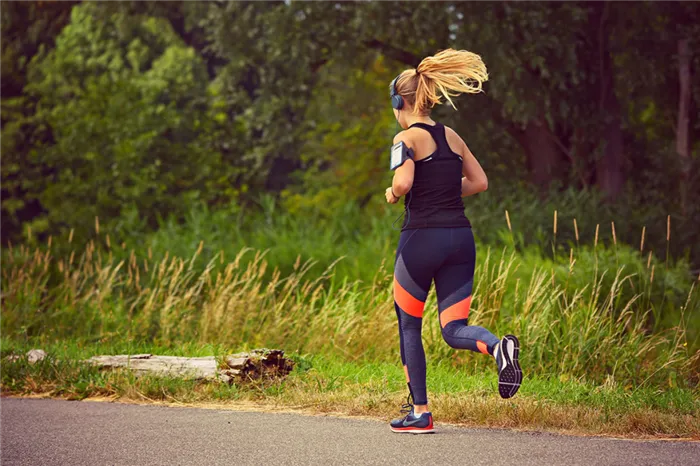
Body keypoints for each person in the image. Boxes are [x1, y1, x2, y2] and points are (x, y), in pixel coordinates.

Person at [385, 49, 522, 434]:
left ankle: (421, 412)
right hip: (460, 240)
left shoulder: (405, 137)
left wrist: (395, 193)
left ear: (400, 101)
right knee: (453, 328)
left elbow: (404, 182)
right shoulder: (452, 136)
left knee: (409, 325)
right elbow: (480, 183)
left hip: (421, 242)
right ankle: (498, 348)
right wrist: (443, 191)